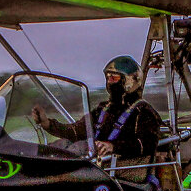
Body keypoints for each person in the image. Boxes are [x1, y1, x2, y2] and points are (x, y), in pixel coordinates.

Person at [31, 55, 161, 160]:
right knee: (60, 146)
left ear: (129, 80)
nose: (109, 81)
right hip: (95, 166)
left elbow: (147, 145)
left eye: (114, 77)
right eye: (108, 77)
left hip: (120, 169)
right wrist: (47, 123)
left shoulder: (144, 112)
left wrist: (113, 147)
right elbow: (76, 131)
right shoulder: (103, 109)